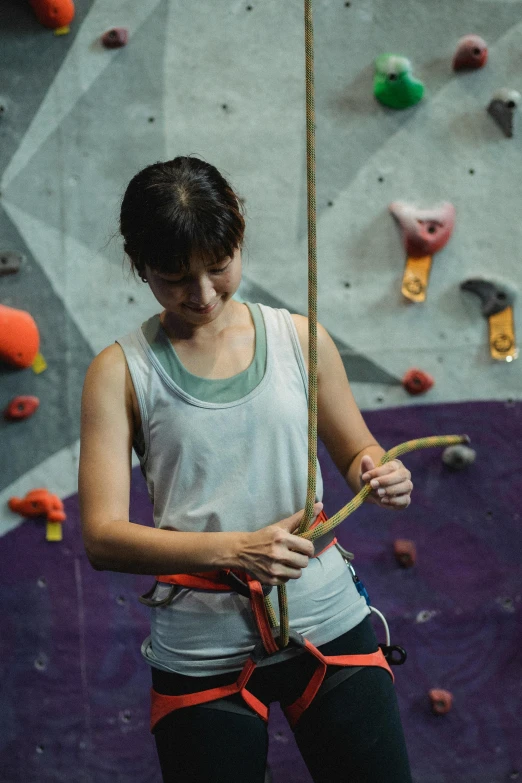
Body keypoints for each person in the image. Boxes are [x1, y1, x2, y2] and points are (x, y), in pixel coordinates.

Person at [79, 156, 414, 783]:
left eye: (219, 265)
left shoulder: (300, 339)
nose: (202, 294)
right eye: (175, 277)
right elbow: (102, 537)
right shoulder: (121, 372)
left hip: (327, 621)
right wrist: (239, 550)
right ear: (138, 264)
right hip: (201, 646)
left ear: (240, 232)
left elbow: (357, 453)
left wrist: (380, 471)